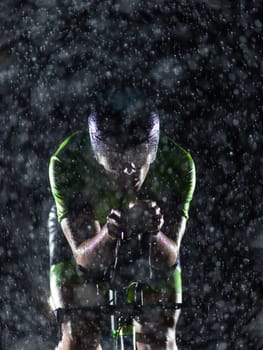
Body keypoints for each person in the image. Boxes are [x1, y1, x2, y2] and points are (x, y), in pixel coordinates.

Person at [48, 89, 196, 350]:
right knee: (80, 340)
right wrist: (111, 232)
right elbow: (88, 265)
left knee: (158, 341)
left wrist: (154, 230)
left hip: (147, 230)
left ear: (153, 147)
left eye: (140, 155)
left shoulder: (179, 164)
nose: (130, 169)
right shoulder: (67, 161)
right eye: (116, 158)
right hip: (89, 238)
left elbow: (167, 260)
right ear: (97, 153)